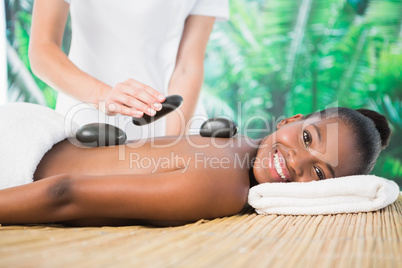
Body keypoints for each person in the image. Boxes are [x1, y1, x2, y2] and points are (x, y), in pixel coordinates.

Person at [0, 107, 391, 227]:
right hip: (18, 158)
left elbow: (69, 191)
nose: (296, 163)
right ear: (291, 120)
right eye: (307, 139)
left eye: (319, 173)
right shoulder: (223, 175)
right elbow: (61, 192)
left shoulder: (233, 161)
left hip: (28, 138)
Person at [28, 0, 229, 139]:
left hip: (172, 122)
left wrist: (171, 144)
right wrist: (103, 96)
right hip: (86, 119)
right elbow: (42, 49)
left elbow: (188, 65)